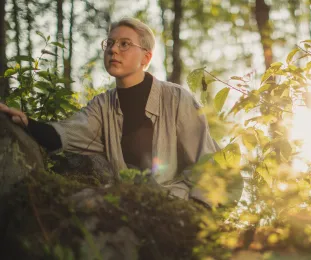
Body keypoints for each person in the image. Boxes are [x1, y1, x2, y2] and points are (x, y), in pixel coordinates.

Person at [0, 17, 226, 208]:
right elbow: (65, 134)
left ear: (146, 58)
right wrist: (26, 122)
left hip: (181, 204)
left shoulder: (177, 98)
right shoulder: (102, 106)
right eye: (110, 43)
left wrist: (200, 212)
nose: (113, 49)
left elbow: (206, 161)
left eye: (125, 44)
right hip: (132, 205)